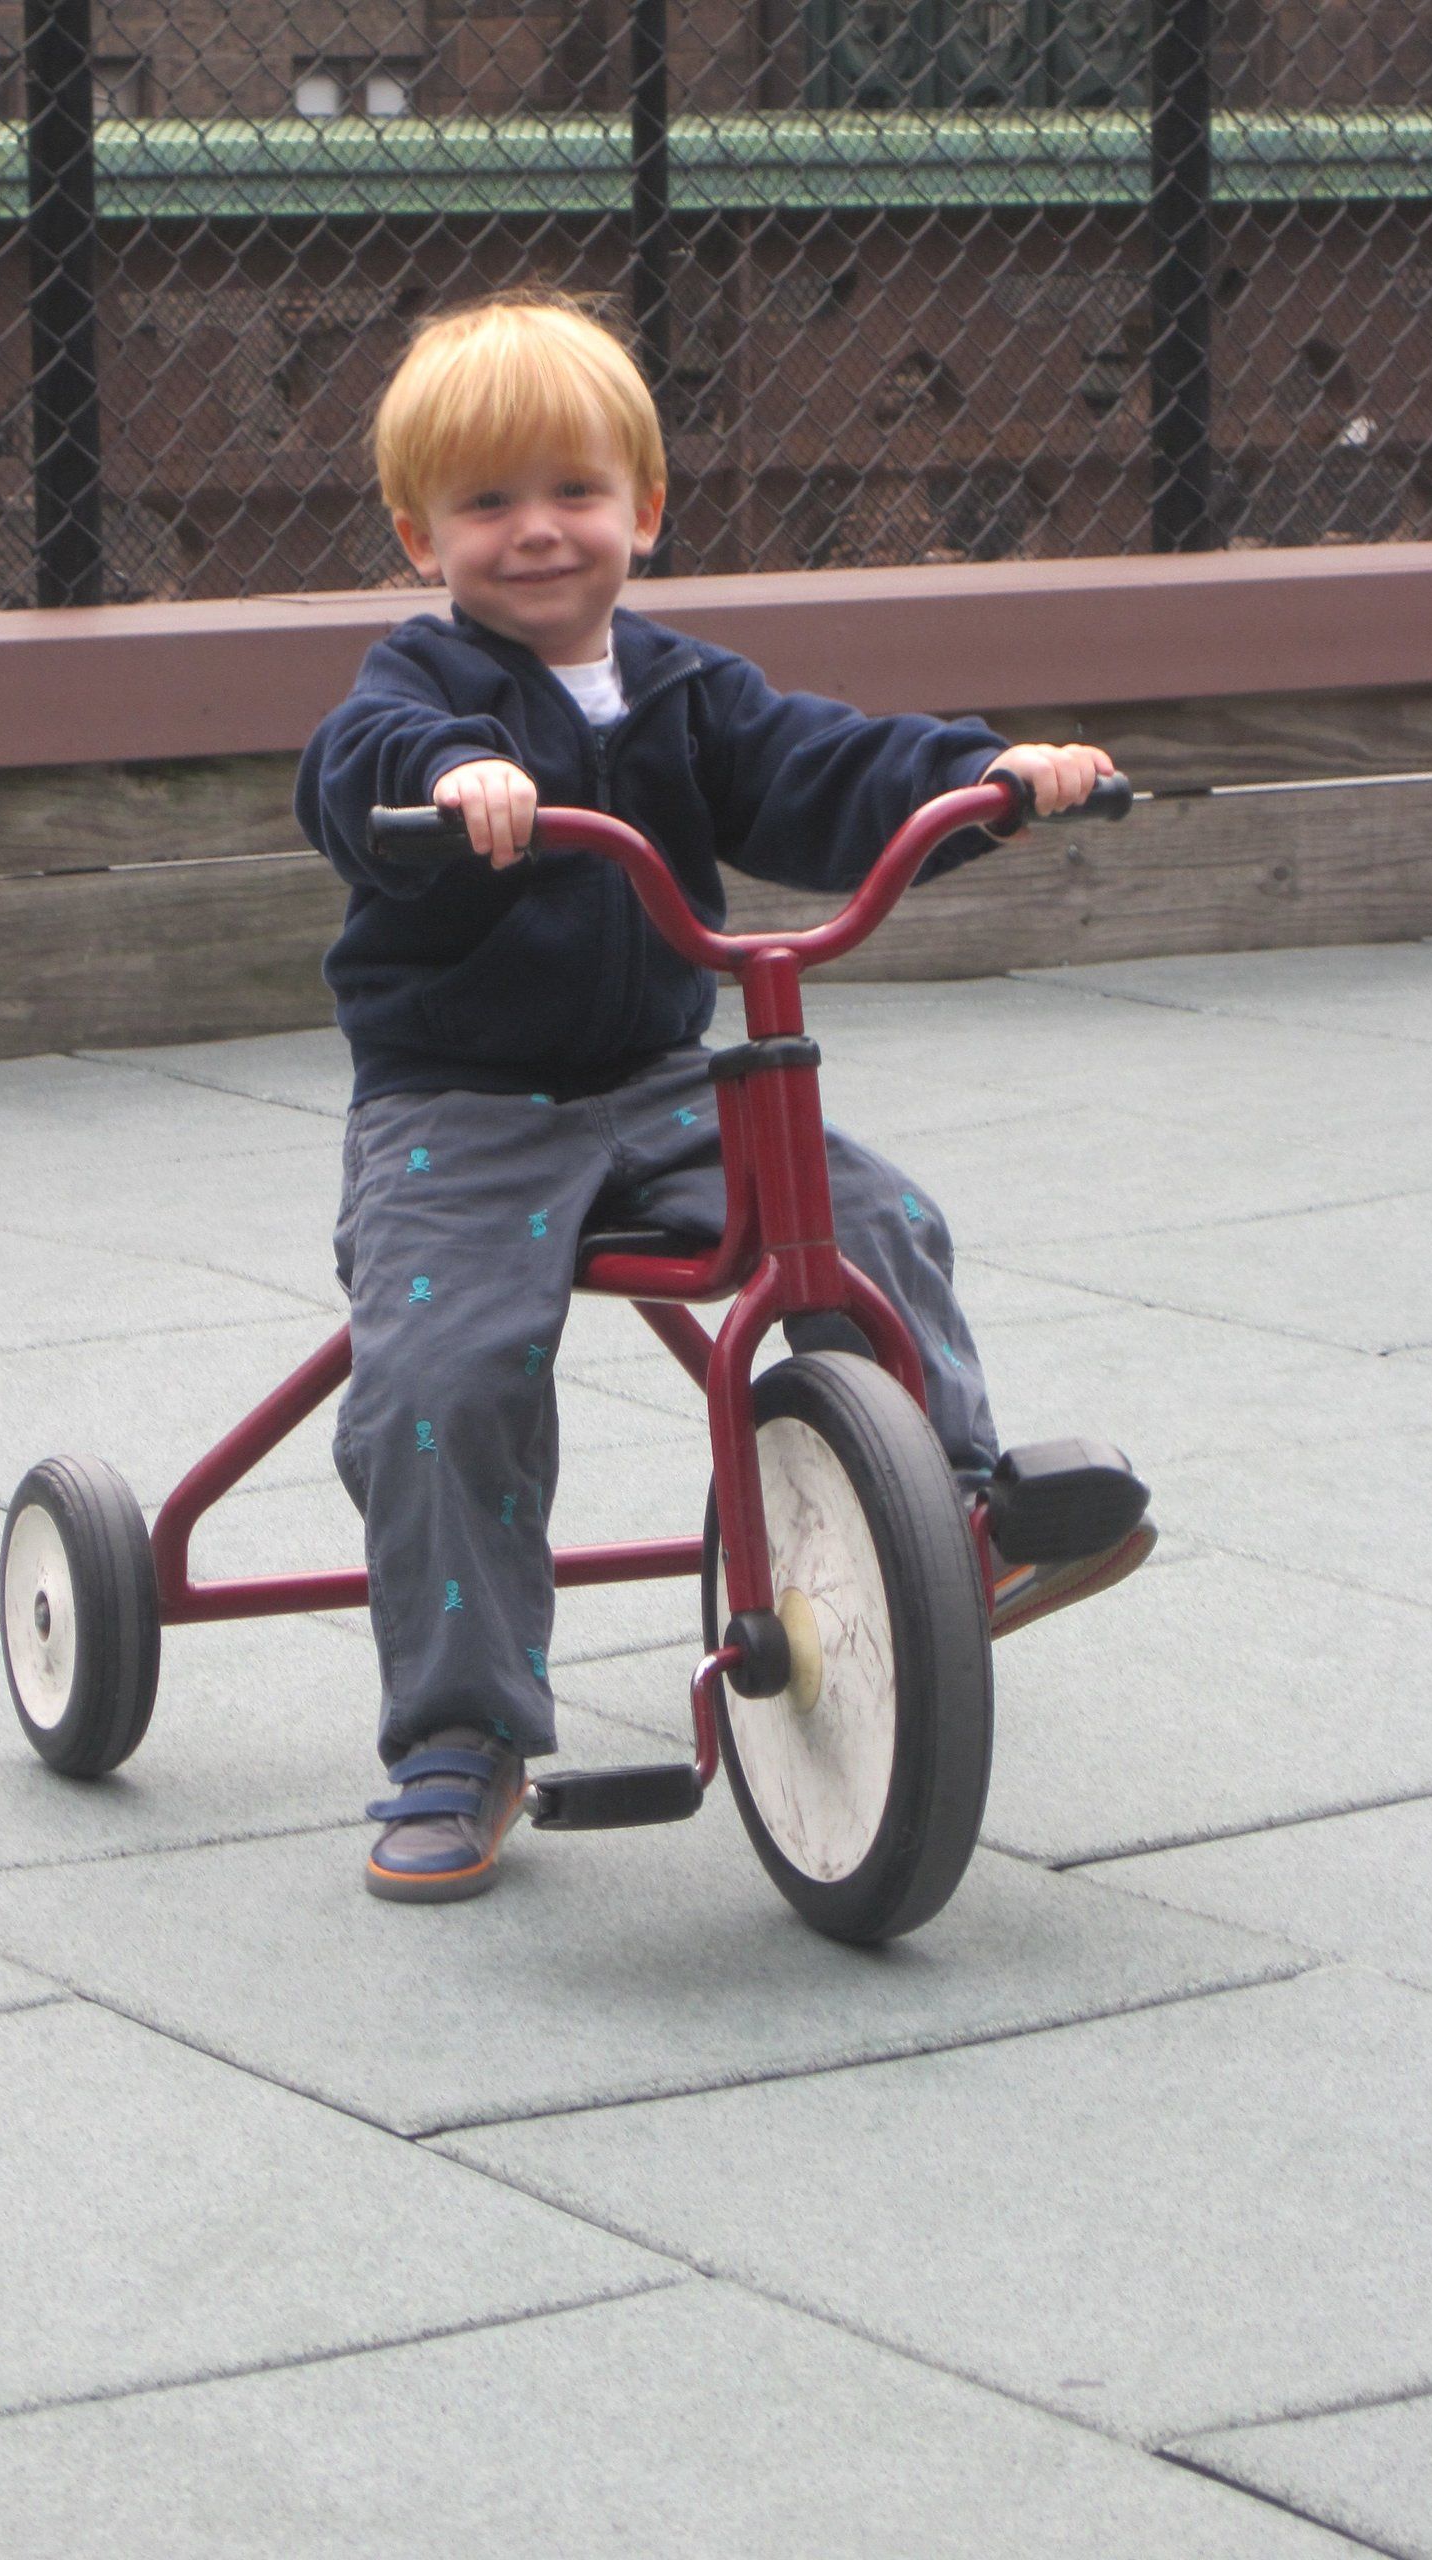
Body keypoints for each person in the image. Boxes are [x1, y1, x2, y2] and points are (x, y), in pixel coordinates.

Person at [296, 291, 1153, 1906]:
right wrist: (449, 786)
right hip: (464, 1111)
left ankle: (964, 1512)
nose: (536, 533)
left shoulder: (690, 691)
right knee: (446, 1376)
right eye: (486, 505)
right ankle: (459, 1740)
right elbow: (357, 765)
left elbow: (829, 770)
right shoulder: (423, 685)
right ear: (421, 537)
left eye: (573, 492)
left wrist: (989, 781)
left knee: (877, 1214)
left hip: (659, 1084)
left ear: (646, 509)